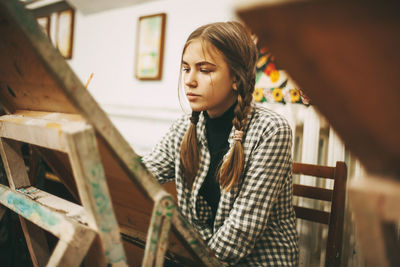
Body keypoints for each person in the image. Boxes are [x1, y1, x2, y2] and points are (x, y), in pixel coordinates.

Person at [143, 21, 299, 266]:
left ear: (236, 78)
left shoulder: (271, 130)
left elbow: (240, 233)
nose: (190, 80)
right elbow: (141, 173)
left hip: (258, 260)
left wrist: (189, 258)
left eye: (205, 70)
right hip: (203, 256)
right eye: (186, 68)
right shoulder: (185, 126)